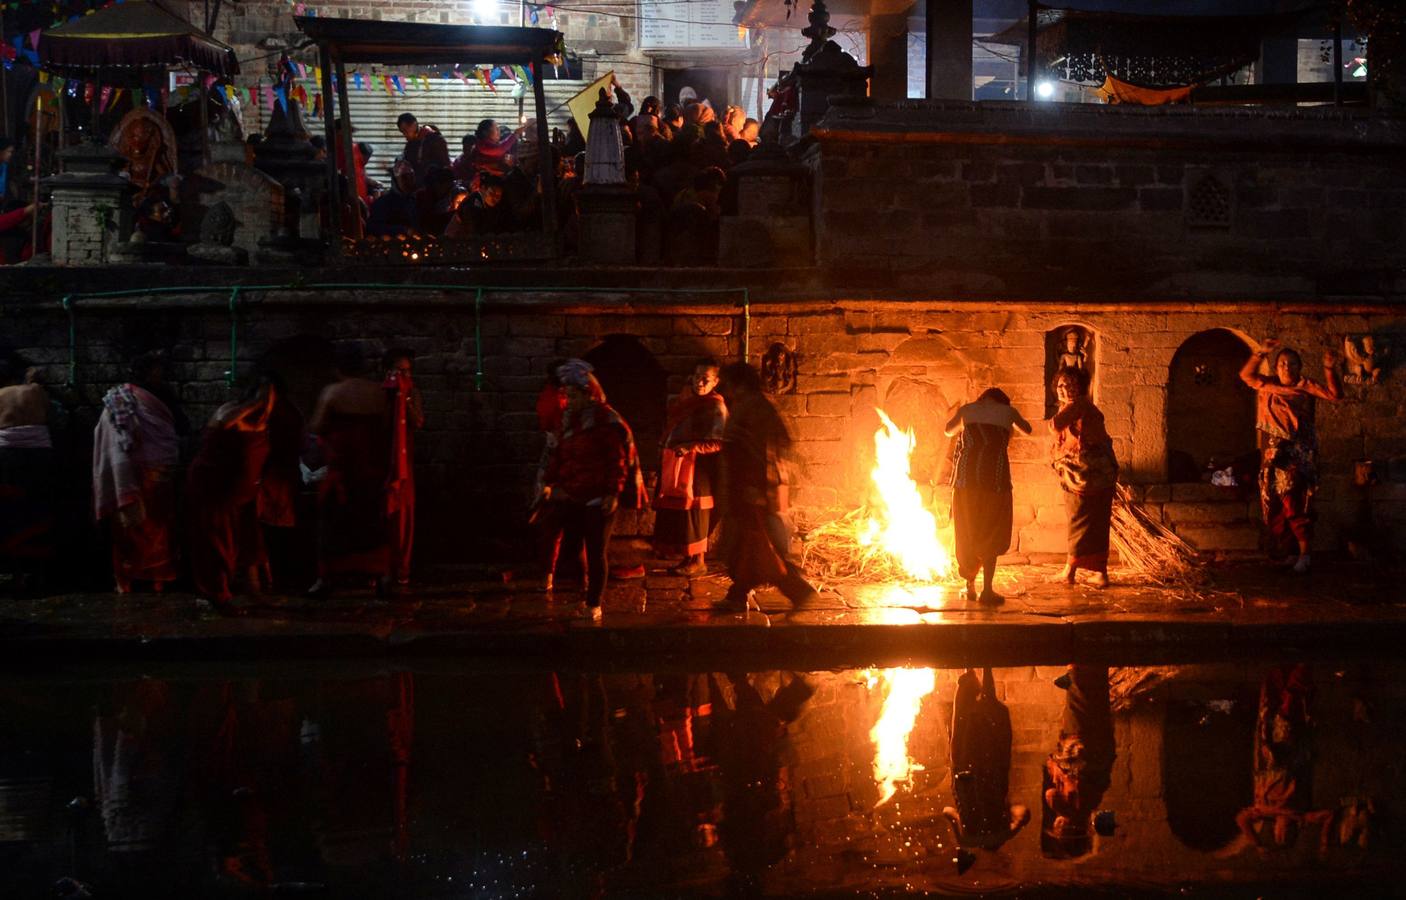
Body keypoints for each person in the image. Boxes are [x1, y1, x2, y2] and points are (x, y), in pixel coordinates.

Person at [539, 359, 638, 622]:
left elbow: (617, 461)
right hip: (573, 495)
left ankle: (594, 604)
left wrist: (612, 493)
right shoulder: (570, 420)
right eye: (566, 395)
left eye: (573, 395)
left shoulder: (605, 420)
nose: (568, 400)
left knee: (596, 552)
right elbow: (559, 455)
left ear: (588, 394)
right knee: (572, 548)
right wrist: (548, 483)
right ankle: (581, 594)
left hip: (597, 497)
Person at [715, 362, 819, 611]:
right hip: (757, 489)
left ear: (738, 385)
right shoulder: (759, 406)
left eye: (727, 384)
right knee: (747, 544)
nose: (724, 389)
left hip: (753, 490)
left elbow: (755, 452)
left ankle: (796, 590)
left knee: (759, 545)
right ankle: (738, 594)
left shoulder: (752, 409)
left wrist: (755, 488)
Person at [1239, 340, 1342, 574]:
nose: (1287, 367)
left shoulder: (1306, 386)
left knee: (1294, 502)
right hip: (1273, 454)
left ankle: (1305, 555)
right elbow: (1246, 375)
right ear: (1276, 367)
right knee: (1274, 504)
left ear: (1299, 367)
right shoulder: (1267, 385)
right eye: (1283, 363)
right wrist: (1260, 353)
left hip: (1298, 454)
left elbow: (1335, 395)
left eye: (1292, 363)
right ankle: (1290, 553)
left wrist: (1328, 368)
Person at [93, 353, 183, 593]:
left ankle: (149, 577)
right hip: (140, 468)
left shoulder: (130, 397)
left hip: (151, 469)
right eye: (155, 370)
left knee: (153, 523)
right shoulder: (125, 397)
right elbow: (108, 430)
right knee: (137, 523)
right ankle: (138, 577)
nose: (159, 375)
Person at [185, 380, 278, 610]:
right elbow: (224, 423)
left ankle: (253, 591)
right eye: (265, 399)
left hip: (243, 493)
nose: (268, 405)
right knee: (217, 543)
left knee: (250, 543)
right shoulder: (228, 412)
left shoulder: (263, 422)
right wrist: (256, 403)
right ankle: (218, 595)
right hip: (214, 490)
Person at [306, 347, 391, 597]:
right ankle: (381, 575)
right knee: (372, 525)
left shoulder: (332, 392)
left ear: (337, 368)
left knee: (332, 526)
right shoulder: (378, 393)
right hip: (371, 471)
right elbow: (385, 429)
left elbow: (317, 426)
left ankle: (327, 578)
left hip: (343, 472)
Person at [944, 388, 1032, 604]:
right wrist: (1007, 424)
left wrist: (967, 420)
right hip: (995, 480)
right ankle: (988, 590)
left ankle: (970, 587)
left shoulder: (968, 409)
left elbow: (948, 431)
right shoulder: (1008, 412)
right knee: (991, 531)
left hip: (966, 481)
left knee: (967, 531)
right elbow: (1028, 430)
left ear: (982, 398)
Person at [943, 668, 1029, 860]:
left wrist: (1009, 829)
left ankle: (986, 667)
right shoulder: (967, 838)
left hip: (992, 775)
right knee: (964, 718)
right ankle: (970, 669)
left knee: (990, 715)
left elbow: (1023, 812)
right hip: (965, 773)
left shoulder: (998, 834)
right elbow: (947, 811)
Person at [654, 358, 727, 575]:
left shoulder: (716, 406)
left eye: (706, 379)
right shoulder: (685, 401)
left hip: (700, 468)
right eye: (697, 377)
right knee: (682, 515)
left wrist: (691, 447)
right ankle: (687, 559)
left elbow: (720, 441)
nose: (700, 383)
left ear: (716, 382)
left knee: (696, 515)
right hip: (678, 463)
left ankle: (698, 561)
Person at [1048, 367, 1118, 588]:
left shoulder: (1079, 405)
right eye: (1059, 385)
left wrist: (1066, 407)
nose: (1062, 390)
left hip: (1085, 476)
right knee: (1096, 523)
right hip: (1099, 476)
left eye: (1068, 385)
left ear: (1077, 387)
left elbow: (1055, 425)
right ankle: (1099, 573)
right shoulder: (1082, 406)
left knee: (1079, 521)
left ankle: (1070, 571)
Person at [0, 355, 55, 589]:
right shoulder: (37, 391)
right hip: (39, 454)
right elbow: (53, 416)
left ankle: (16, 569)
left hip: (7, 455)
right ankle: (37, 568)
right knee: (38, 507)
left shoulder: (1, 395)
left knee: (10, 510)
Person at [383, 349, 424, 590]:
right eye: (399, 371)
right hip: (384, 461)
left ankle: (402, 569)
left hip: (404, 465)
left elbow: (418, 421)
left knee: (404, 518)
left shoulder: (412, 392)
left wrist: (405, 398)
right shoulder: (380, 393)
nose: (404, 375)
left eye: (407, 371)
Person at [396, 113, 451, 188]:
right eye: (403, 132)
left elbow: (445, 165)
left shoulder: (435, 139)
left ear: (414, 124)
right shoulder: (411, 143)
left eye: (406, 130)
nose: (405, 134)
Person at [366, 161, 418, 238]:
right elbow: (374, 228)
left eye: (411, 177)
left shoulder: (415, 201)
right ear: (396, 180)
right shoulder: (383, 203)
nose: (409, 181)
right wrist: (402, 230)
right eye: (404, 177)